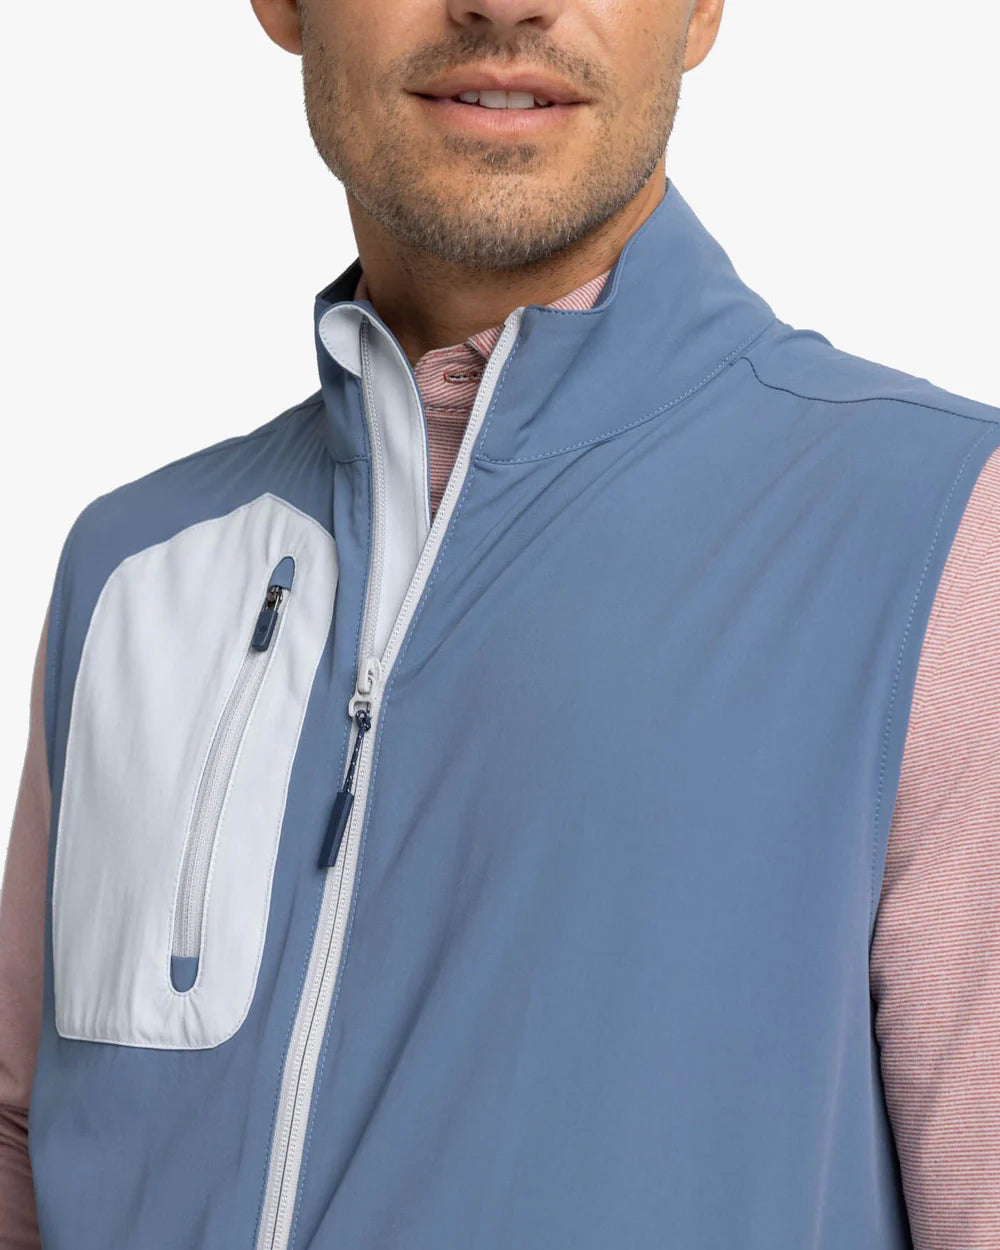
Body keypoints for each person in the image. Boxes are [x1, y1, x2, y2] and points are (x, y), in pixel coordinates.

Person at [2, 0, 998, 1245]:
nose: (503, 3)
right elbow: (30, 1141)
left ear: (700, 9)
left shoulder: (938, 529)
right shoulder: (133, 562)